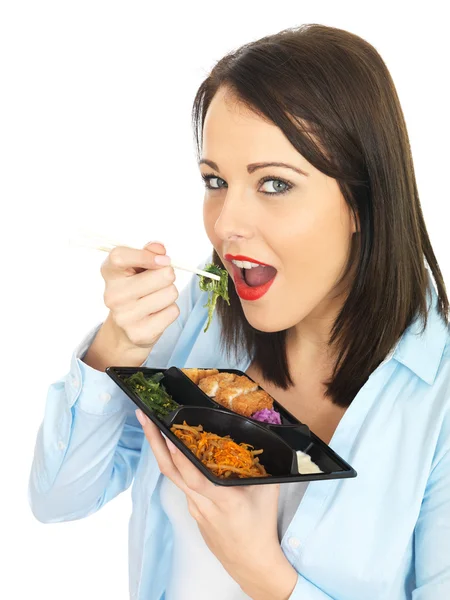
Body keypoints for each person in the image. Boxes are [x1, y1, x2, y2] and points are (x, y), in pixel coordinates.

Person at [28, 23, 450, 600]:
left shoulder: (438, 401)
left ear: (364, 200)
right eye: (216, 181)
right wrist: (115, 350)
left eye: (275, 183)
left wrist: (264, 573)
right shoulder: (198, 319)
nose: (226, 225)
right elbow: (58, 499)